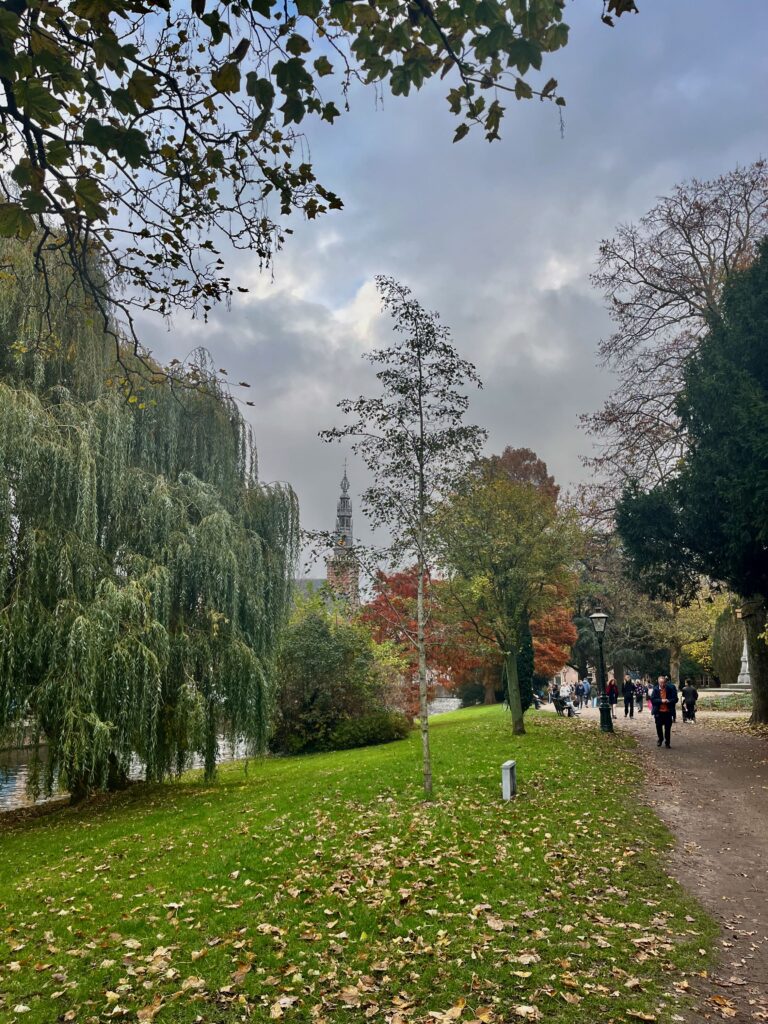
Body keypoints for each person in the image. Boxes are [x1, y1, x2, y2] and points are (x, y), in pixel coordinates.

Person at [651, 674, 678, 747]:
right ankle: (660, 739)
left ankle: (667, 742)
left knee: (667, 728)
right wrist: (661, 701)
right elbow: (653, 700)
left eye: (663, 682)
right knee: (658, 727)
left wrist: (668, 700)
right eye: (661, 683)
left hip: (668, 712)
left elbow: (675, 699)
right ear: (658, 682)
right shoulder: (655, 689)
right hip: (659, 712)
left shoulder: (670, 689)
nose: (662, 684)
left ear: (665, 682)